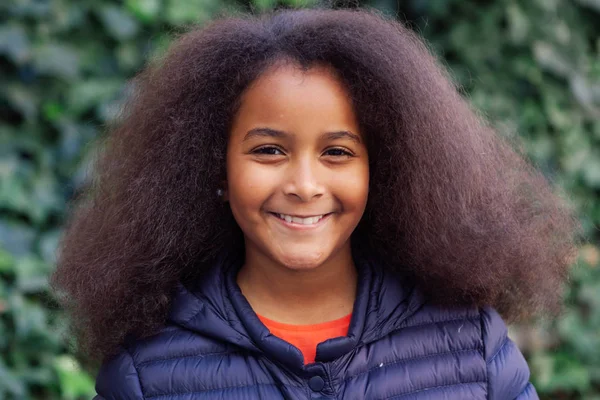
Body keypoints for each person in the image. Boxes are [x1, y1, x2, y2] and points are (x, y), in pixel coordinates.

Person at [50, 7, 582, 400]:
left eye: (336, 152)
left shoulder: (470, 343)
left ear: (386, 169)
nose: (304, 184)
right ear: (214, 166)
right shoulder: (148, 372)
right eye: (269, 150)